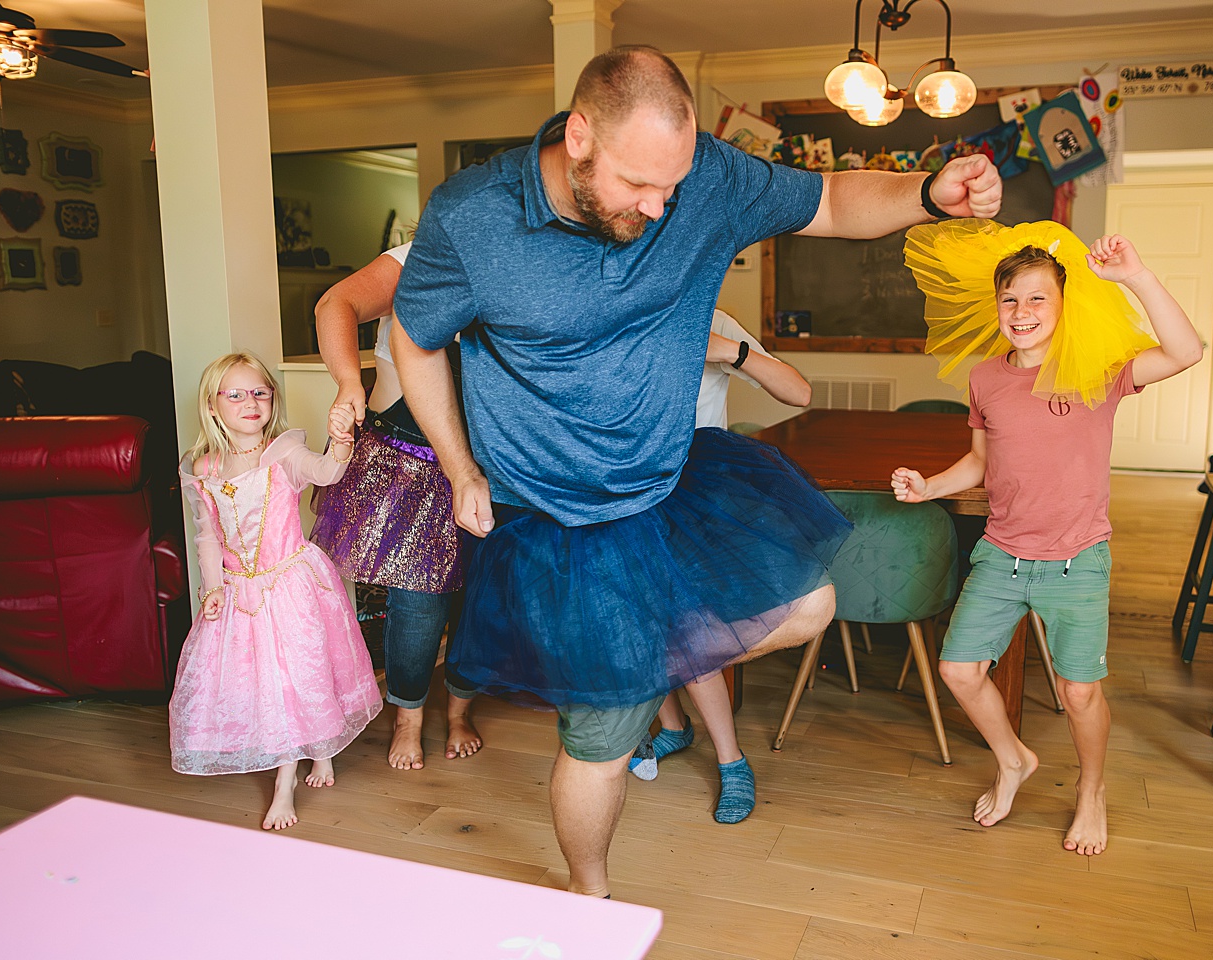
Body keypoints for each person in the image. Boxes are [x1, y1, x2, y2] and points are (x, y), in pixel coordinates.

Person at [391, 45, 1002, 897]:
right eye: (640, 185)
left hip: (669, 486)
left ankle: (648, 678)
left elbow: (830, 199)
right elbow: (413, 340)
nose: (660, 205)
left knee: (813, 602)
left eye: (672, 185)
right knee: (597, 744)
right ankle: (590, 897)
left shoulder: (703, 178)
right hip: (556, 520)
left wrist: (929, 193)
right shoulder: (474, 217)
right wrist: (459, 469)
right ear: (578, 137)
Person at [892, 222, 1203, 856]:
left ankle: (1092, 791)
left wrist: (1136, 275)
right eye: (1010, 299)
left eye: (1037, 298)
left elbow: (1187, 350)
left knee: (1078, 689)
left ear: (1064, 305)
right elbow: (980, 460)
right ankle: (1012, 760)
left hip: (1076, 562)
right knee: (959, 670)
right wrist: (930, 486)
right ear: (996, 307)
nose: (1021, 311)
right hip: (1002, 554)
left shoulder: (1097, 371)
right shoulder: (985, 379)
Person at [170, 352, 383, 830]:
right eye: (237, 394)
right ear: (212, 405)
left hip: (291, 584)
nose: (251, 402)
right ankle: (315, 750)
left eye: (260, 393)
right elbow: (207, 534)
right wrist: (212, 588)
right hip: (238, 590)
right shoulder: (203, 467)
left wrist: (342, 443)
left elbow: (327, 472)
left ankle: (289, 781)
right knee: (266, 682)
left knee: (301, 675)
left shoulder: (283, 454)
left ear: (272, 400)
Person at [632, 309, 812, 826]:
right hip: (624, 487)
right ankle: (672, 725)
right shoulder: (614, 303)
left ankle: (732, 760)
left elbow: (799, 394)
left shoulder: (713, 318)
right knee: (642, 618)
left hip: (694, 492)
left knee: (690, 628)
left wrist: (728, 351)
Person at [309, 243, 481, 771]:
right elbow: (334, 304)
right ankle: (408, 716)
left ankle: (459, 710)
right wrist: (347, 383)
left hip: (491, 462)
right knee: (417, 601)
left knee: (482, 594)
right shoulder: (419, 257)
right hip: (404, 462)